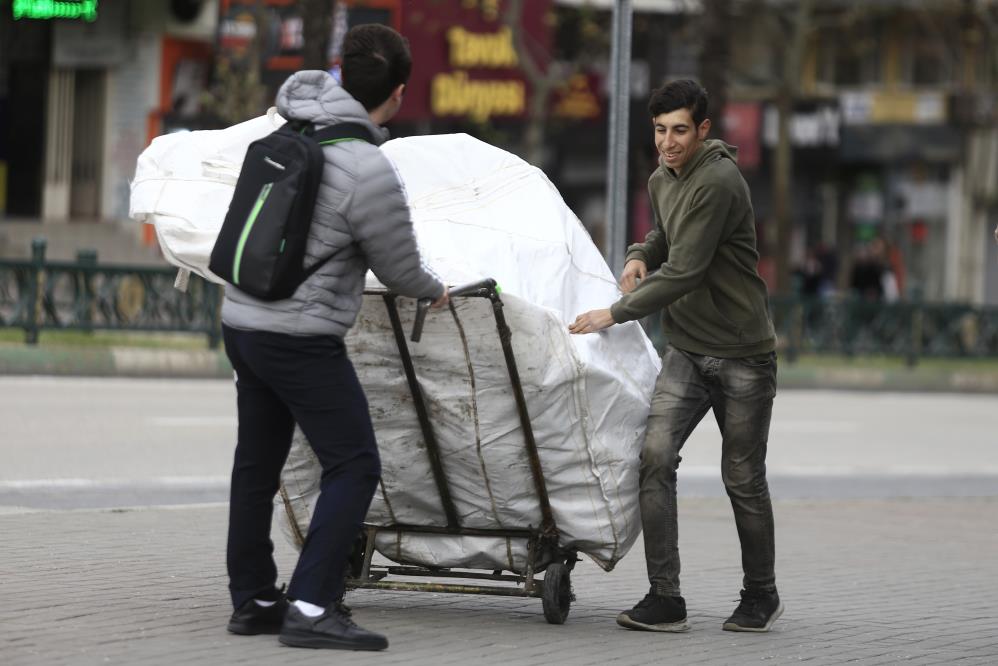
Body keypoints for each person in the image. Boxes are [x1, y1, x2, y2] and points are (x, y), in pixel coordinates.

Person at [220, 24, 447, 651]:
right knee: (354, 462)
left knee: (256, 464)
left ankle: (254, 599)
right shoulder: (367, 165)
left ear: (341, 73)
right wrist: (434, 290)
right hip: (298, 336)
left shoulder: (285, 131)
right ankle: (312, 604)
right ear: (398, 93)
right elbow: (400, 269)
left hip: (241, 320)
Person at [569, 79, 782, 633]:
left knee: (742, 477)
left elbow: (686, 269)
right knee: (655, 458)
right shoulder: (664, 177)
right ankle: (666, 598)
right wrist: (640, 253)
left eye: (679, 130)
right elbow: (666, 237)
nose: (668, 142)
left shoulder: (718, 180)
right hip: (687, 351)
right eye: (660, 130)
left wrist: (616, 312)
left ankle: (761, 594)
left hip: (741, 353)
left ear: (702, 130)